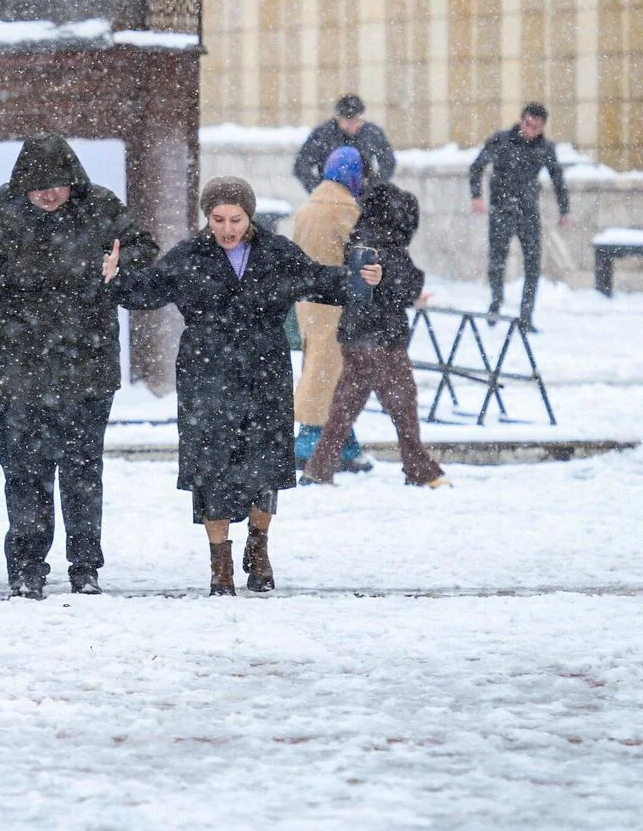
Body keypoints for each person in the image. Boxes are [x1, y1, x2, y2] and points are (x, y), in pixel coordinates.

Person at [108, 177, 381, 595]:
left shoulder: (275, 253)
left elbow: (321, 280)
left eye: (235, 219)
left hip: (263, 370)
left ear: (249, 216)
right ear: (207, 218)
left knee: (265, 461)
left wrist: (362, 278)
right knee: (211, 464)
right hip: (206, 372)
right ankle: (220, 563)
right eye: (217, 219)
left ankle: (259, 547)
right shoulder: (190, 256)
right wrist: (115, 277)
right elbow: (146, 290)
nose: (227, 228)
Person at [0, 136, 159, 597]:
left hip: (86, 366)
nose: (49, 194)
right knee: (24, 471)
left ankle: (85, 565)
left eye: (58, 185)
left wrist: (121, 262)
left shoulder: (101, 206)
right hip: (15, 367)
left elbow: (144, 248)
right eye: (37, 186)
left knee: (83, 469)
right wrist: (12, 281)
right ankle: (27, 566)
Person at [303, 183, 451, 489]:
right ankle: (421, 471)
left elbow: (372, 287)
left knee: (344, 409)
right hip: (382, 340)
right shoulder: (388, 247)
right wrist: (411, 292)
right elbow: (401, 284)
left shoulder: (360, 241)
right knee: (403, 406)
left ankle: (318, 469)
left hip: (355, 337)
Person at [292, 146, 371, 474]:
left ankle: (344, 443)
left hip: (308, 302)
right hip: (339, 303)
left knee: (326, 370)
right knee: (329, 374)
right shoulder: (345, 210)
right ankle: (309, 442)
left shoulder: (307, 208)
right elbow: (360, 256)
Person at [469, 102, 570, 328]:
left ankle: (526, 316)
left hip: (528, 212)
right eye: (527, 124)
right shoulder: (501, 140)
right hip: (501, 210)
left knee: (533, 265)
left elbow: (558, 179)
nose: (530, 130)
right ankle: (495, 304)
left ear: (543, 128)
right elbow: (476, 167)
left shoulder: (545, 148)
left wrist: (564, 210)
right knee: (497, 261)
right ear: (522, 119)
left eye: (536, 127)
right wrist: (476, 196)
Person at [294, 94, 397, 194]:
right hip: (331, 197)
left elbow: (388, 162)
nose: (354, 125)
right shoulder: (323, 134)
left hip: (364, 196)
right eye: (349, 121)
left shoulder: (372, 133)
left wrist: (372, 187)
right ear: (338, 118)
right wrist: (319, 189)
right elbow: (302, 165)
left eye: (357, 120)